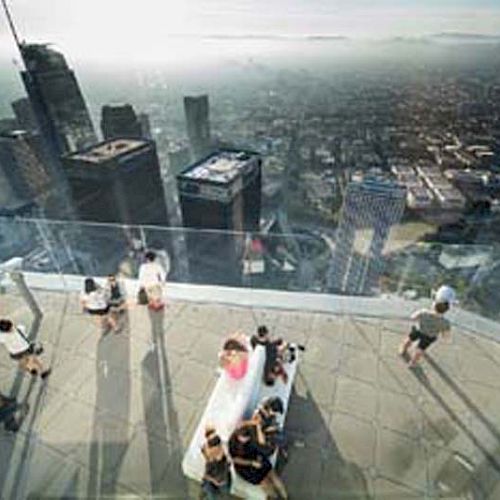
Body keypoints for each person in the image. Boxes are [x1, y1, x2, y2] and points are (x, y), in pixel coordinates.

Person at [229, 421, 288, 499]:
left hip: (257, 458)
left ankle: (284, 497)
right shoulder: (233, 443)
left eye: (247, 438)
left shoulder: (250, 434)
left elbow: (261, 443)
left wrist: (258, 426)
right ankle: (276, 497)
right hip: (247, 466)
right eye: (244, 438)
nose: (246, 440)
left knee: (273, 476)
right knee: (265, 483)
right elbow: (235, 459)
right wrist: (252, 463)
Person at [399, 285, 455, 367]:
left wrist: (418, 317)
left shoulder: (424, 312)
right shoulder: (446, 323)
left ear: (434, 304)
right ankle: (413, 362)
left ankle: (403, 350)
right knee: (420, 350)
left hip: (418, 330)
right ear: (447, 310)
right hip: (429, 337)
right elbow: (446, 336)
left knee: (409, 339)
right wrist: (445, 337)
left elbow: (413, 317)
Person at [200, 425, 232, 499]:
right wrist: (215, 481)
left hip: (223, 478)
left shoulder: (219, 451)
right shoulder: (211, 460)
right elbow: (206, 475)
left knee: (223, 494)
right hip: (219, 480)